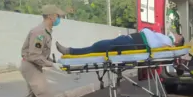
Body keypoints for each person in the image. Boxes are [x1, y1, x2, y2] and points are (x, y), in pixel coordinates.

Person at [8, 4, 66, 97]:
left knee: (32, 96)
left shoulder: (46, 31)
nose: (59, 19)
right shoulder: (39, 32)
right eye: (58, 16)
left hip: (33, 65)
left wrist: (51, 60)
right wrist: (50, 64)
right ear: (51, 16)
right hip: (31, 66)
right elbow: (34, 55)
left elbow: (40, 54)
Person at [55, 28, 185, 55]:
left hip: (131, 43)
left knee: (98, 46)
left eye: (178, 35)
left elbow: (157, 44)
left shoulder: (168, 42)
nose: (175, 33)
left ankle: (70, 51)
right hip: (131, 41)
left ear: (177, 41)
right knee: (98, 46)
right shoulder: (166, 39)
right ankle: (70, 51)